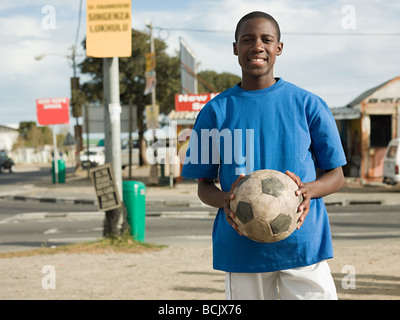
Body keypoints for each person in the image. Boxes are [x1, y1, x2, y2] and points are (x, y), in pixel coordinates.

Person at [181, 11, 347, 300]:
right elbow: (204, 187)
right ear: (235, 48)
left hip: (303, 244)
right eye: (247, 39)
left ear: (278, 48)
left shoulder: (308, 104)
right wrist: (230, 201)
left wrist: (308, 190)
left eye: (266, 39)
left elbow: (336, 176)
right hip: (242, 246)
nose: (257, 46)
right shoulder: (215, 112)